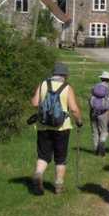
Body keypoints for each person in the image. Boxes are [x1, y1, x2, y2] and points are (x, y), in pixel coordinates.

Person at [30, 62, 83, 195]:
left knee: (43, 155)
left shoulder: (43, 84)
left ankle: (38, 173)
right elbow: (74, 109)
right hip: (62, 127)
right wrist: (79, 121)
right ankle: (58, 185)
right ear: (65, 75)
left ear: (53, 74)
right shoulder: (67, 87)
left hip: (43, 125)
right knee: (60, 157)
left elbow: (35, 103)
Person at [89, 71, 109, 157]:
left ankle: (96, 149)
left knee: (95, 131)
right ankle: (102, 142)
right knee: (104, 130)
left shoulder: (94, 87)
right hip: (104, 112)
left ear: (101, 78)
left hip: (93, 111)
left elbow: (90, 99)